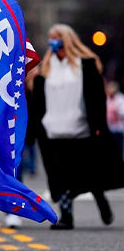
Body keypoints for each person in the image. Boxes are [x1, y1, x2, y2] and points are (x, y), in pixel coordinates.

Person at [28, 23, 122, 229]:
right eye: (51, 38)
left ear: (67, 40)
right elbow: (37, 102)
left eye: (56, 38)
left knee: (89, 173)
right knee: (59, 176)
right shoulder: (47, 69)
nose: (53, 42)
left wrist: (99, 124)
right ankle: (66, 216)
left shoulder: (85, 65)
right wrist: (33, 129)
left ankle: (100, 198)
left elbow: (97, 97)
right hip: (53, 131)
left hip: (81, 129)